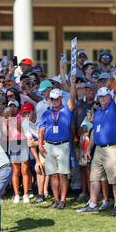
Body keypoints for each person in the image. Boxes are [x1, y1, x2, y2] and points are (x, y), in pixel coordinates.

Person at [78, 68, 116, 215]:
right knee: (94, 177)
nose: (102, 99)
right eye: (100, 97)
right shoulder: (97, 112)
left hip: (112, 148)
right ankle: (92, 203)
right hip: (98, 148)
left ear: (109, 97)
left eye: (105, 96)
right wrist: (88, 149)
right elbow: (94, 132)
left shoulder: (115, 107)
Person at [38, 76, 76, 209]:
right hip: (49, 146)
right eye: (52, 99)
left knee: (62, 174)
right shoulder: (46, 113)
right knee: (53, 175)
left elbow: (72, 99)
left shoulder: (66, 110)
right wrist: (39, 145)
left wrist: (72, 85)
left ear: (61, 99)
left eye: (56, 99)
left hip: (63, 145)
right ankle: (56, 199)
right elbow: (41, 130)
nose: (54, 101)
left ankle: (63, 200)